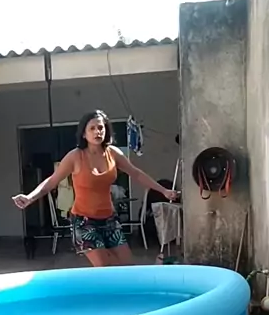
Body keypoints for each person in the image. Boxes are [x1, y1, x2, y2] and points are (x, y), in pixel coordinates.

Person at [12, 109, 178, 267]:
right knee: (105, 267)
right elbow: (52, 181)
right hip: (84, 221)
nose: (97, 132)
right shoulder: (75, 156)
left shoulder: (113, 153)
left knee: (128, 267)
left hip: (109, 220)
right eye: (92, 128)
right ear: (84, 134)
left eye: (101, 128)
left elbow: (137, 174)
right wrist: (30, 197)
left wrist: (163, 191)